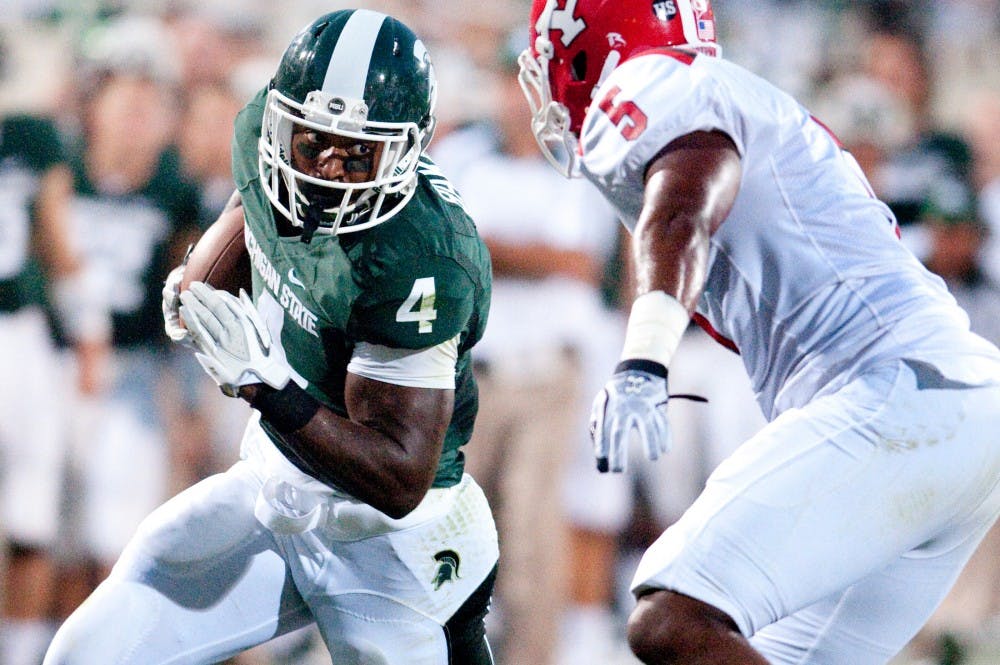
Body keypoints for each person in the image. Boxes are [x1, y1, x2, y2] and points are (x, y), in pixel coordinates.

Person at [518, 1, 1000, 664]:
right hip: (949, 406)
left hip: (896, 392)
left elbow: (685, 206)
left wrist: (645, 355)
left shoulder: (653, 82)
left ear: (584, 47)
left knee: (672, 614)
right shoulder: (733, 96)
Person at [43, 9, 498, 665]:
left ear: (408, 147)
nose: (326, 171)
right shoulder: (267, 132)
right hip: (276, 481)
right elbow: (252, 206)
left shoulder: (421, 254)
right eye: (311, 143)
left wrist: (265, 384)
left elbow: (398, 476)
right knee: (91, 652)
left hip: (391, 543)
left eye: (358, 153)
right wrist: (195, 291)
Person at [0, 112, 108, 665]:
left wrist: (87, 334)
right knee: (29, 517)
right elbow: (56, 235)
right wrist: (91, 331)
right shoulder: (30, 136)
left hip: (21, 337)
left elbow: (54, 233)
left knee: (32, 517)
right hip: (18, 342)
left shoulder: (31, 135)